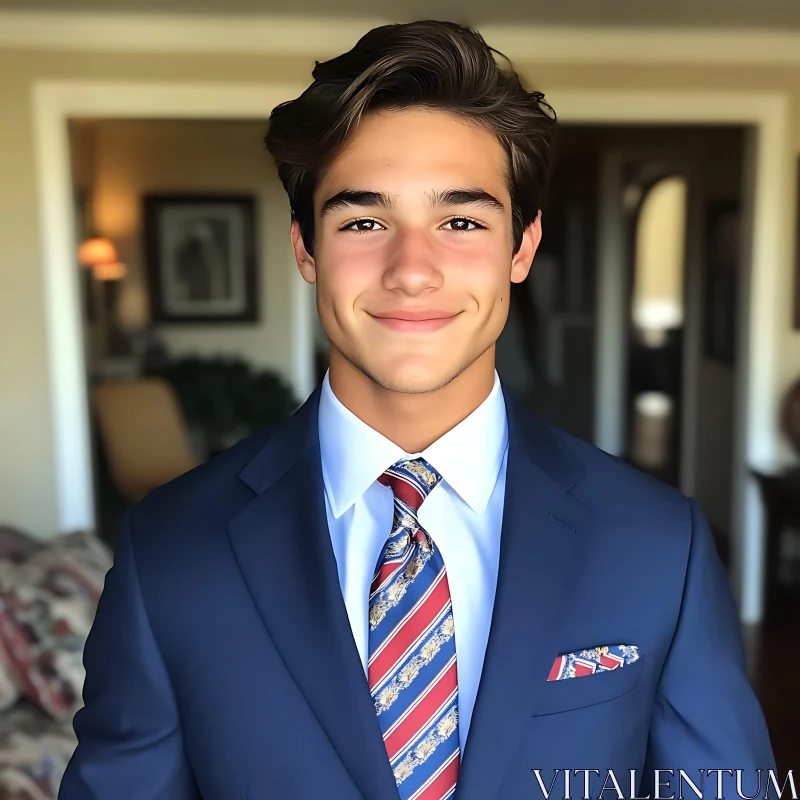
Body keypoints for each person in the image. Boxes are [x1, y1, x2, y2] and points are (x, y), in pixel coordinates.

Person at [60, 20, 775, 800]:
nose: (411, 270)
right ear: (305, 248)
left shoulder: (658, 543)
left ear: (522, 247)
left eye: (461, 222)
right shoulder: (169, 550)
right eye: (364, 221)